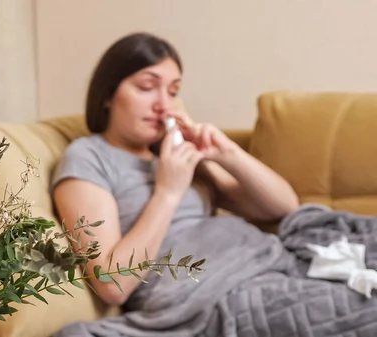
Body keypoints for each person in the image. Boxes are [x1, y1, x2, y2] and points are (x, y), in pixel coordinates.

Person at [50, 32, 377, 337]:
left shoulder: (172, 153)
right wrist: (167, 193)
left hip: (275, 260)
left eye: (174, 91)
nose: (164, 104)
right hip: (219, 293)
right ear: (108, 94)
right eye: (147, 87)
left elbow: (284, 207)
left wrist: (226, 154)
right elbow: (112, 283)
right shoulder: (90, 157)